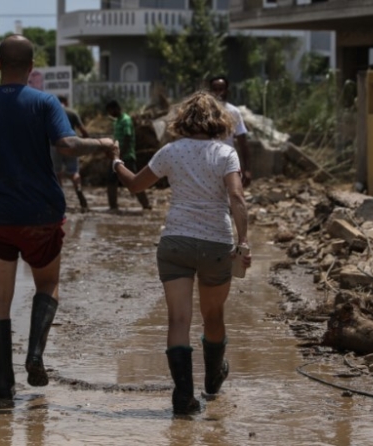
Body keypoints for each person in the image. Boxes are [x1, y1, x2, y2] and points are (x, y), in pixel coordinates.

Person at [0, 35, 118, 401]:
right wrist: (103, 143)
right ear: (32, 69)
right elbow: (66, 146)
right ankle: (35, 353)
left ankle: (4, 388)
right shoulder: (46, 103)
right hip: (41, 216)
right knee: (47, 284)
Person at [109, 91, 251, 414]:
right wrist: (243, 242)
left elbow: (134, 185)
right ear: (219, 121)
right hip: (216, 243)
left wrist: (117, 162)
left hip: (175, 242)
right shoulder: (226, 154)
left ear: (183, 120)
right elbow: (237, 199)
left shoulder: (170, 152)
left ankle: (183, 397)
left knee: (178, 320)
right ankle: (213, 378)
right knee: (213, 316)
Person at [105, 100, 151, 211]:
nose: (110, 113)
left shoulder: (126, 120)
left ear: (115, 108)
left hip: (127, 157)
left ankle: (146, 206)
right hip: (116, 157)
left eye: (110, 111)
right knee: (111, 181)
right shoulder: (117, 122)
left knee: (135, 181)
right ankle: (113, 207)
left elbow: (127, 137)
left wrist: (120, 155)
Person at [208, 76, 251, 188]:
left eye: (221, 89)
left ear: (227, 91)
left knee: (231, 196)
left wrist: (247, 169)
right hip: (206, 161)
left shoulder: (234, 112)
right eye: (215, 89)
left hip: (227, 160)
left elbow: (242, 141)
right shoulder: (204, 112)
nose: (218, 92)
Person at [51, 95, 90, 211]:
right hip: (71, 144)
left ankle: (60, 198)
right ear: (66, 102)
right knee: (74, 172)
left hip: (55, 145)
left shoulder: (51, 113)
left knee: (57, 173)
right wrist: (85, 143)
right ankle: (78, 189)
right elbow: (83, 131)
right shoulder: (72, 113)